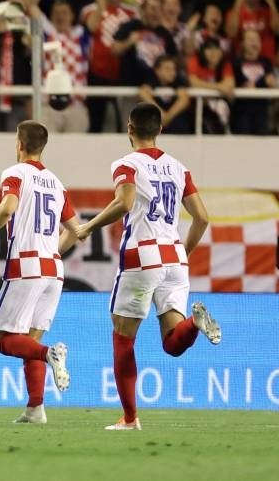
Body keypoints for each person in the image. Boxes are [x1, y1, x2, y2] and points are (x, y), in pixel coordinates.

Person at [75, 103, 221, 431]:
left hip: (142, 255)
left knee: (123, 338)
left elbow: (124, 203)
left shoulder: (126, 163)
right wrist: (182, 252)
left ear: (129, 129)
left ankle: (130, 419)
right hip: (174, 257)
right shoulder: (179, 168)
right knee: (172, 342)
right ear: (160, 130)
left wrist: (88, 227)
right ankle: (194, 323)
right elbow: (202, 217)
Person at [0, 121, 78, 424]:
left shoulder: (15, 173)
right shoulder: (57, 183)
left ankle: (49, 355)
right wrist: (53, 249)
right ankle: (35, 408)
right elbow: (76, 230)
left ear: (19, 144)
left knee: (2, 339)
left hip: (25, 265)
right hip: (53, 270)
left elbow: (7, 208)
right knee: (29, 338)